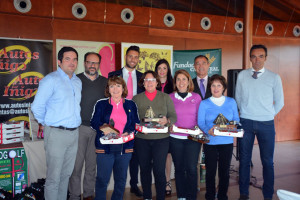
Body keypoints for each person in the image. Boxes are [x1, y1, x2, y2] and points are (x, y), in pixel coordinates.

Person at [31, 47, 82, 200]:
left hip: (74, 133)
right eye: (67, 59)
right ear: (59, 62)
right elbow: (36, 107)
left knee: (66, 175)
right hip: (56, 134)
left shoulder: (77, 81)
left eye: (74, 59)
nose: (71, 62)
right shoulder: (50, 80)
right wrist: (47, 123)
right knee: (54, 178)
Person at [235, 44, 284, 200]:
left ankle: (268, 194)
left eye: (261, 56)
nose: (257, 60)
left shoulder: (274, 77)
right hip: (246, 122)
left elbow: (280, 102)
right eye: (254, 56)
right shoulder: (242, 75)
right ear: (250, 58)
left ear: (266, 58)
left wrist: (267, 114)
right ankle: (243, 194)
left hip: (266, 124)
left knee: (268, 161)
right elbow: (238, 98)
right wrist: (245, 113)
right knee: (244, 160)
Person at [90, 76, 139, 200]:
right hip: (105, 147)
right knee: (102, 179)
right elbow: (94, 122)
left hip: (124, 147)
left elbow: (135, 124)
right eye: (112, 86)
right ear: (108, 89)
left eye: (118, 86)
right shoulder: (101, 104)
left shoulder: (130, 104)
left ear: (123, 88)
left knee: (121, 180)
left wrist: (128, 132)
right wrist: (104, 129)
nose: (115, 89)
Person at [69, 52, 108, 200]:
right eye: (89, 62)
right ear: (84, 63)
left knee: (92, 166)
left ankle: (88, 195)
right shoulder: (75, 79)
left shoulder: (105, 82)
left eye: (95, 63)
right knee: (76, 166)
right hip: (79, 128)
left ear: (99, 65)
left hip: (97, 130)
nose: (92, 65)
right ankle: (74, 195)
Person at [133, 70, 177, 200]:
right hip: (142, 140)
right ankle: (147, 196)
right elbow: (132, 119)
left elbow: (173, 116)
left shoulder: (165, 97)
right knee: (145, 169)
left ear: (157, 82)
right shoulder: (136, 99)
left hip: (161, 140)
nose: (149, 82)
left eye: (152, 80)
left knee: (159, 170)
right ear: (143, 83)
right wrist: (138, 127)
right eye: (146, 80)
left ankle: (160, 197)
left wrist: (167, 121)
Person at [108, 45, 144, 197]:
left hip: (134, 118)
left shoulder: (143, 77)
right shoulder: (114, 74)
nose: (133, 59)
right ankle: (117, 188)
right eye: (130, 56)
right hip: (116, 118)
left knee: (133, 154)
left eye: (136, 57)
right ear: (126, 57)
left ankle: (134, 184)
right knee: (116, 153)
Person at [198, 74, 240, 200]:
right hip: (210, 142)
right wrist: (208, 130)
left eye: (219, 85)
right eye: (213, 85)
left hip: (226, 142)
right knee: (210, 172)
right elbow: (201, 122)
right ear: (210, 87)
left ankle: (222, 195)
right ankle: (209, 196)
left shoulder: (231, 101)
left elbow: (236, 120)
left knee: (224, 172)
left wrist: (233, 127)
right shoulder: (204, 103)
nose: (216, 88)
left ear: (223, 88)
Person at [169, 69, 202, 200]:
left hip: (192, 138)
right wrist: (168, 125)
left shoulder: (196, 97)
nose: (181, 82)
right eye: (178, 79)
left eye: (184, 79)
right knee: (179, 168)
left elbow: (200, 117)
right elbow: (168, 117)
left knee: (192, 168)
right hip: (175, 138)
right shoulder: (170, 97)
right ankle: (181, 196)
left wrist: (199, 129)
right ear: (175, 82)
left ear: (189, 81)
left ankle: (191, 196)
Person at [154, 59, 174, 196]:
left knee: (167, 155)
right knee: (154, 155)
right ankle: (157, 181)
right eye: (159, 68)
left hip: (168, 124)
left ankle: (167, 181)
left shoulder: (173, 86)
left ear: (168, 70)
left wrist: (170, 122)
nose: (162, 71)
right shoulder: (150, 84)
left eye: (164, 68)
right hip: (153, 125)